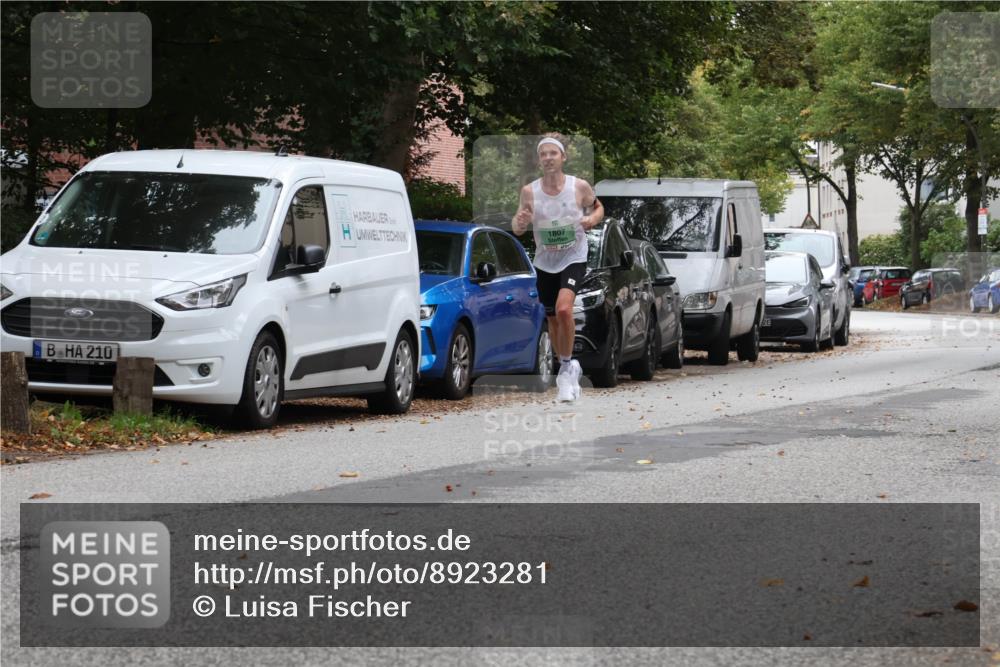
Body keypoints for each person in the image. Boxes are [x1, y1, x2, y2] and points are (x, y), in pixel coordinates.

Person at [512, 133, 604, 402]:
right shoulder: (530, 191)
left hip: (574, 255)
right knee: (552, 318)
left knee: (564, 309)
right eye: (544, 154)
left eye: (553, 153)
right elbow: (518, 229)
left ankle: (565, 370)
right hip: (545, 261)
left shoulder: (579, 186)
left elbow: (599, 208)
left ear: (563, 157)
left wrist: (591, 220)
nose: (548, 158)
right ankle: (569, 365)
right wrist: (521, 219)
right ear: (539, 160)